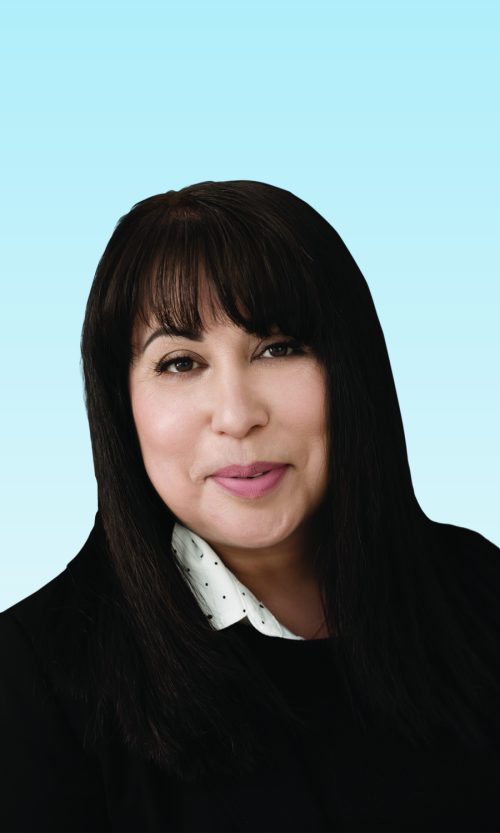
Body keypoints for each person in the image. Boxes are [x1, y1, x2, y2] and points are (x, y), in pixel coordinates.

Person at [1, 180, 499, 833]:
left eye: (278, 347)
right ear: (122, 406)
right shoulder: (31, 683)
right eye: (180, 363)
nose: (237, 416)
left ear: (351, 370)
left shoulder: (476, 586)